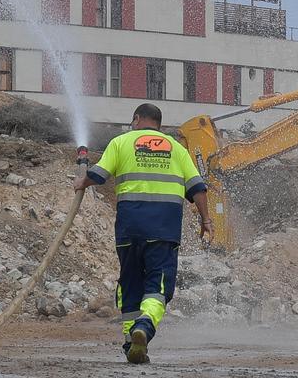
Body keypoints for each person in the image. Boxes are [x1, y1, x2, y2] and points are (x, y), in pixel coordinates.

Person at [73, 103, 212, 364]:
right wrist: (206, 220)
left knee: (130, 285)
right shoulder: (177, 148)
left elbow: (99, 175)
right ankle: (145, 327)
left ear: (136, 119)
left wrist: (82, 180)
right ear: (158, 123)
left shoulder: (121, 142)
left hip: (129, 229)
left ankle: (131, 345)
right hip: (164, 230)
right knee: (158, 286)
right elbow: (198, 188)